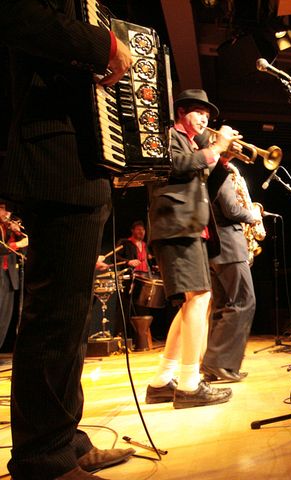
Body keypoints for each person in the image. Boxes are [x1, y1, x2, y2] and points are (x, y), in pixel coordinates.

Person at [0, 3, 136, 478]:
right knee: (55, 320)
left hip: (79, 160)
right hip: (54, 157)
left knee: (72, 320)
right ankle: (43, 459)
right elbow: (15, 16)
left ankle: (63, 441)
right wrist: (104, 45)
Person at [144, 89, 235, 409]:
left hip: (187, 228)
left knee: (192, 302)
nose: (205, 120)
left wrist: (221, 158)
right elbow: (177, 165)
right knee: (200, 298)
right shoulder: (167, 136)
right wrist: (216, 147)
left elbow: (199, 178)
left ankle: (162, 381)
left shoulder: (194, 144)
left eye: (208, 117)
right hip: (176, 227)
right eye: (199, 113)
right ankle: (189, 384)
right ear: (182, 112)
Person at [201, 161, 261, 383]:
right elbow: (231, 209)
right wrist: (252, 214)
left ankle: (215, 366)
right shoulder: (221, 173)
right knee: (244, 301)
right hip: (229, 247)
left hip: (216, 249)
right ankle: (219, 363)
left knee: (222, 307)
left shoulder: (205, 174)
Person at [0, 204, 27, 349]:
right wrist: (17, 244)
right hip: (1, 276)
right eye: (4, 209)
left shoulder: (9, 228)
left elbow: (25, 248)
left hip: (9, 276)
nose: (7, 213)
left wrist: (17, 234)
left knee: (5, 318)